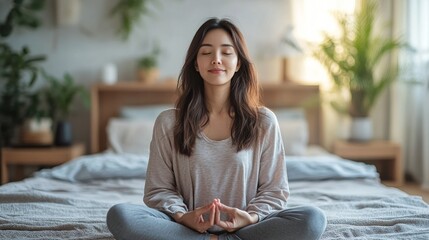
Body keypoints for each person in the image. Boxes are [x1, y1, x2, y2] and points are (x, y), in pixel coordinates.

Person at [106, 17, 327, 240]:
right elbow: (158, 189)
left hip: (247, 228)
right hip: (183, 228)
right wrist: (183, 216)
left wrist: (250, 217)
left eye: (226, 52)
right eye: (206, 52)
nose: (216, 60)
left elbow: (274, 191)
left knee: (312, 219)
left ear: (239, 62)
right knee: (120, 215)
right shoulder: (168, 123)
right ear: (195, 63)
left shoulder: (264, 121)